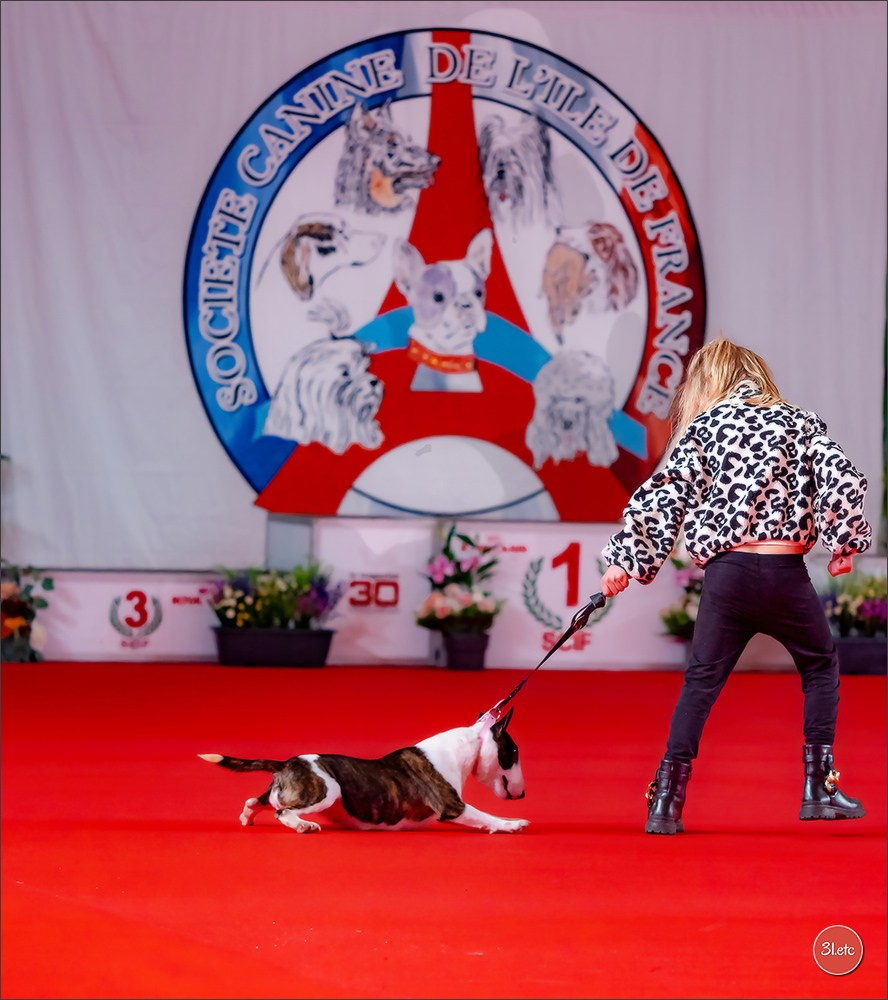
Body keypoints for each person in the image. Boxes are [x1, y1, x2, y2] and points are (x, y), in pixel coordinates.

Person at [600, 337, 872, 835]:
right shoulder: (798, 421)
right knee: (819, 667)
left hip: (727, 577)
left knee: (700, 683)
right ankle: (819, 788)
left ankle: (666, 799)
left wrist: (626, 561)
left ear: (710, 381)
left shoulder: (703, 428)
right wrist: (845, 542)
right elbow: (844, 478)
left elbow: (663, 498)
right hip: (784, 572)